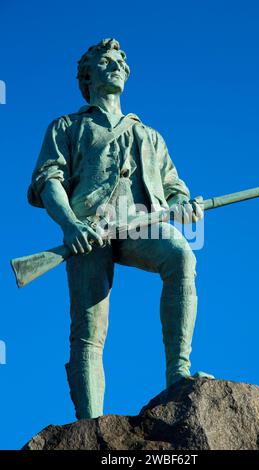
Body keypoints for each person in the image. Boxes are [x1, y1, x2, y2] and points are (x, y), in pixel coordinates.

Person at [28, 38, 213, 420]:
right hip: (88, 232)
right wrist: (70, 225)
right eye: (106, 61)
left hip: (142, 224)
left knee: (181, 256)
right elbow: (49, 180)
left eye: (120, 63)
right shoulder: (67, 126)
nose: (116, 67)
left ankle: (178, 373)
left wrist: (185, 205)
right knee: (89, 329)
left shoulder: (150, 135)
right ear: (88, 75)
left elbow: (175, 188)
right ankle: (90, 423)